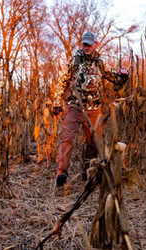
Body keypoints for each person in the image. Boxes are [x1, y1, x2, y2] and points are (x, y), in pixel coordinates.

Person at [53, 31, 129, 187]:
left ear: (96, 44)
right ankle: (61, 173)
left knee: (94, 141)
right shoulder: (74, 61)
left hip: (93, 108)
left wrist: (123, 76)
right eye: (84, 44)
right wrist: (56, 102)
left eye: (89, 44)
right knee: (67, 138)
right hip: (74, 105)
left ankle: (88, 173)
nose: (87, 47)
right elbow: (62, 81)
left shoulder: (100, 63)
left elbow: (114, 78)